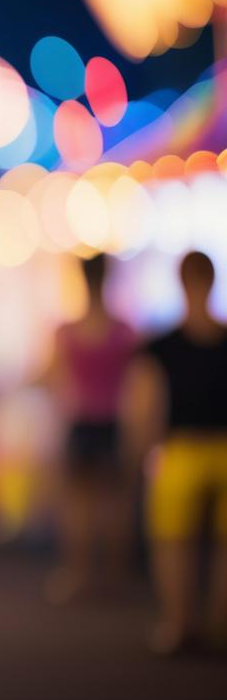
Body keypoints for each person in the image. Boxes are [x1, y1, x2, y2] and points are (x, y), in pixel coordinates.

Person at [131, 250, 227, 655]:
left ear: (182, 281)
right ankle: (219, 625)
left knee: (174, 541)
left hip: (178, 452)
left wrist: (143, 455)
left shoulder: (161, 347)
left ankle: (178, 623)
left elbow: (146, 408)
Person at [43, 254, 140, 605]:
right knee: (115, 503)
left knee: (79, 505)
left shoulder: (67, 332)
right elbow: (138, 383)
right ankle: (116, 579)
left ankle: (78, 575)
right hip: (114, 423)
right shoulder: (124, 331)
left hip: (81, 422)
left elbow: (51, 377)